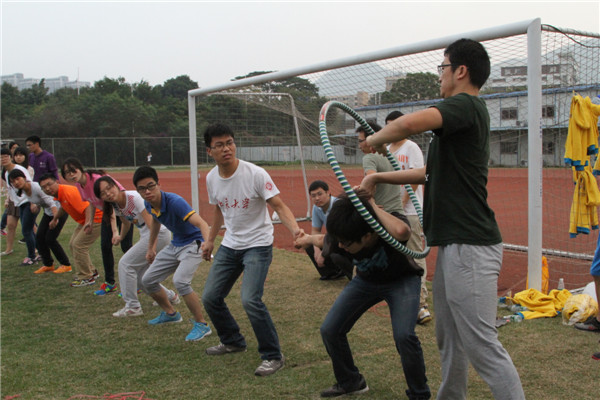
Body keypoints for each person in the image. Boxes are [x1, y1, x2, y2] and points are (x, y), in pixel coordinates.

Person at [361, 38, 525, 399]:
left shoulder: (466, 105)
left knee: (481, 344)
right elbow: (427, 174)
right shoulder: (459, 122)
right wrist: (378, 177)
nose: (440, 76)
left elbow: (409, 124)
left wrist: (377, 138)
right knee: (448, 337)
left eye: (443, 67)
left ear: (460, 71)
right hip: (454, 245)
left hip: (471, 245)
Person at [298, 193, 430, 399]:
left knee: (404, 336)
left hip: (402, 280)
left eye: (346, 243)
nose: (341, 247)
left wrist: (370, 205)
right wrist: (306, 239)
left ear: (368, 236)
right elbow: (323, 239)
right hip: (366, 281)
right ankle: (351, 382)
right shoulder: (343, 235)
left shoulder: (388, 226)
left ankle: (419, 394)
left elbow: (403, 231)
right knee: (330, 329)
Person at [201, 123, 301, 377]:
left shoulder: (255, 174)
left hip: (258, 244)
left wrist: (295, 231)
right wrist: (211, 240)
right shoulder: (211, 178)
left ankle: (273, 356)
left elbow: (278, 205)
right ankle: (233, 341)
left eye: (230, 142)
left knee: (250, 300)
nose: (227, 148)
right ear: (209, 151)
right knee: (210, 297)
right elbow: (219, 208)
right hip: (230, 244)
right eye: (220, 145)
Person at [133, 166, 212, 341]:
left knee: (180, 281)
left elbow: (202, 223)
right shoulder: (148, 203)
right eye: (142, 189)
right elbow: (155, 221)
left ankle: (202, 325)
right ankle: (171, 314)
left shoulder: (175, 202)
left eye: (151, 186)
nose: (147, 192)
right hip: (175, 244)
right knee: (147, 280)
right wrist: (151, 248)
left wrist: (207, 244)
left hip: (193, 244)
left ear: (159, 184)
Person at [94, 175, 178, 318]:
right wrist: (120, 237)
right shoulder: (116, 205)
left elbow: (152, 225)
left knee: (125, 264)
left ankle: (132, 306)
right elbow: (126, 223)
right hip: (148, 235)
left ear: (116, 185)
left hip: (158, 233)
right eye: (103, 193)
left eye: (109, 188)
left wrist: (152, 248)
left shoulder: (134, 198)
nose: (108, 193)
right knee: (141, 277)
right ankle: (170, 296)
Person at [61, 158, 133, 295]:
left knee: (126, 247)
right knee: (105, 247)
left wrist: (115, 231)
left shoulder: (97, 180)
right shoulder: (79, 185)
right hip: (107, 214)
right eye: (67, 173)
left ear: (80, 168)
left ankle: (137, 282)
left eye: (73, 171)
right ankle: (110, 283)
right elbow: (91, 202)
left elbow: (112, 206)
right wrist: (89, 221)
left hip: (122, 211)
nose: (71, 175)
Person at [385, 111, 431, 325]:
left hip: (410, 212)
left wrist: (402, 204)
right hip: (392, 212)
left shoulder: (411, 148)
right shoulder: (386, 150)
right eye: (388, 125)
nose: (392, 129)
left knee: (414, 254)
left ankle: (421, 303)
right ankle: (401, 298)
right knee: (396, 255)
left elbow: (415, 178)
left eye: (395, 124)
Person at [40, 173, 102, 287]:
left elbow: (87, 206)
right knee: (73, 244)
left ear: (57, 182)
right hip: (85, 220)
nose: (47, 189)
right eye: (43, 187)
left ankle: (86, 277)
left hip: (96, 218)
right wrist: (55, 219)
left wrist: (88, 223)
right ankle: (91, 271)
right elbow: (64, 207)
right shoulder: (60, 193)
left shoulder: (67, 192)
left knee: (79, 245)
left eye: (49, 184)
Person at [9, 169, 71, 274]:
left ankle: (66, 264)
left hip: (59, 211)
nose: (16, 182)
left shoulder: (36, 187)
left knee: (50, 239)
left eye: (18, 179)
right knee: (39, 237)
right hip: (48, 212)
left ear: (24, 178)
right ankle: (48, 264)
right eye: (13, 181)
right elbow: (39, 200)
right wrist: (36, 205)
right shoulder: (22, 190)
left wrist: (55, 219)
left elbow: (52, 202)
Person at [357, 121, 404, 216]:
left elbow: (371, 181)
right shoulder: (393, 157)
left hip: (383, 214)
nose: (359, 146)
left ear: (370, 140)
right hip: (399, 214)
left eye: (360, 141)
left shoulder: (369, 157)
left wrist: (371, 204)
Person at [305, 180, 350, 280]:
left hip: (343, 240)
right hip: (332, 239)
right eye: (313, 196)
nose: (317, 198)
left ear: (328, 192)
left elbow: (335, 235)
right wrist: (316, 250)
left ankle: (349, 272)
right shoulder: (316, 208)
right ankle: (331, 273)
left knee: (333, 251)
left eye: (320, 194)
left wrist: (323, 253)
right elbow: (315, 231)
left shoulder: (338, 205)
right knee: (308, 243)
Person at [1, 148, 39, 265]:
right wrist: (8, 200)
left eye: (6, 156)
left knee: (27, 231)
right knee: (26, 230)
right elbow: (11, 190)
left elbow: (30, 184)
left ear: (10, 157)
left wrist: (32, 202)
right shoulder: (6, 173)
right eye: (1, 157)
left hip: (27, 202)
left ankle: (32, 257)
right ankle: (39, 253)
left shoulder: (20, 169)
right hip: (19, 204)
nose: (3, 159)